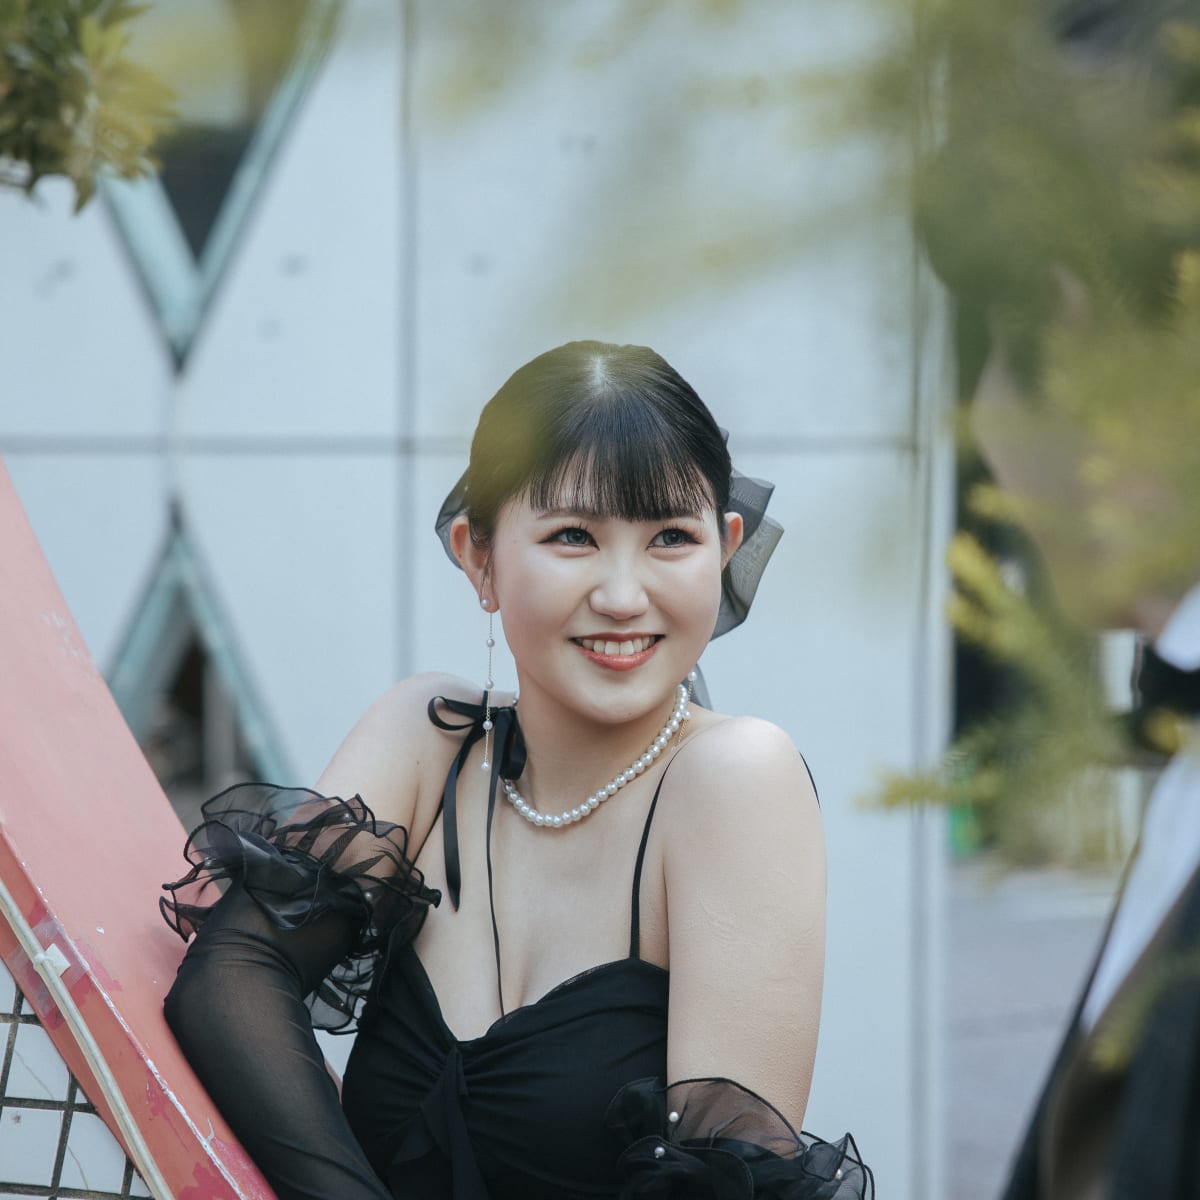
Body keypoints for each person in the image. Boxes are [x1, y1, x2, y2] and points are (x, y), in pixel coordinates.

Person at [159, 341, 872, 1199]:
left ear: (724, 549)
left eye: (670, 538)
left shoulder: (734, 779)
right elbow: (233, 976)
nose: (623, 595)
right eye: (574, 535)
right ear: (479, 557)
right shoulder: (429, 737)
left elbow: (722, 1184)